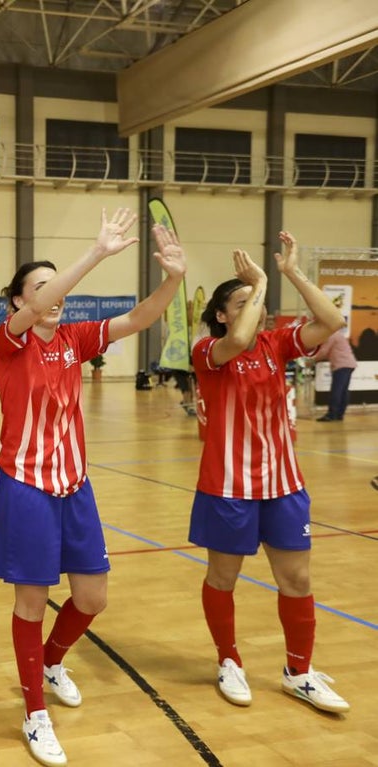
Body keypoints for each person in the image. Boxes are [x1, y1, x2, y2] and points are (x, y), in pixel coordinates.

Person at [0, 211, 185, 767]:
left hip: (75, 486)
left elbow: (141, 317)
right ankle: (34, 713)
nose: (55, 294)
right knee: (30, 603)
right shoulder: (10, 340)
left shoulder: (74, 338)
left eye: (57, 285)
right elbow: (39, 306)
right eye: (41, 286)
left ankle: (52, 662)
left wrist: (173, 278)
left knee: (93, 597)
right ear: (19, 301)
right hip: (25, 487)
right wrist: (96, 253)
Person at [191, 233, 350, 715]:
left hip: (283, 484)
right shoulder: (209, 350)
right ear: (222, 315)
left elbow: (333, 322)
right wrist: (258, 281)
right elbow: (238, 339)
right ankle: (228, 659)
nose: (255, 309)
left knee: (297, 579)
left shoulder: (276, 344)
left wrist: (291, 273)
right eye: (242, 303)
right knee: (223, 577)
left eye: (256, 302)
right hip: (228, 487)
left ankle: (298, 672)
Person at [312, 327, 356, 422]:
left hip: (341, 365)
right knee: (343, 391)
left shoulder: (332, 336)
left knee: (337, 391)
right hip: (349, 364)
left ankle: (331, 415)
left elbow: (324, 351)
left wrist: (312, 359)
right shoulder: (338, 335)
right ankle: (339, 414)